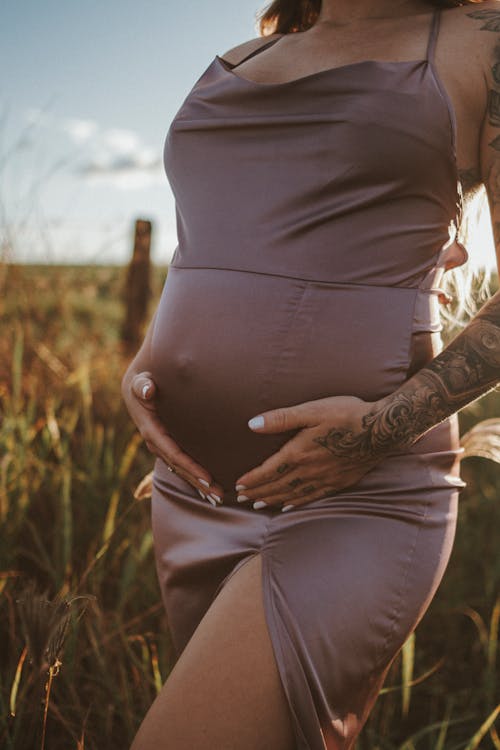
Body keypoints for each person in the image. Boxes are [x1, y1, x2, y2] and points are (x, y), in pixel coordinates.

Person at [122, 0, 497, 747]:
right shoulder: (243, 56)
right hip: (194, 493)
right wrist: (147, 363)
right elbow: (216, 240)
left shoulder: (480, 43)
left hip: (360, 494)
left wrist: (370, 435)